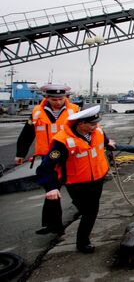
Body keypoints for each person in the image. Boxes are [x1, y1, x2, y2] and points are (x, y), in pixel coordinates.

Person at [36, 105, 116, 253]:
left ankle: (82, 238)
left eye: (96, 123)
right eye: (92, 124)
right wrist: (51, 187)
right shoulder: (62, 142)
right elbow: (45, 167)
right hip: (77, 183)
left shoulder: (96, 130)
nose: (95, 126)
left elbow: (103, 139)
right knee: (89, 211)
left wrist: (108, 142)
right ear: (80, 124)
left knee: (91, 209)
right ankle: (82, 242)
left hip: (97, 177)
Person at [16, 84, 80, 235]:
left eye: (60, 98)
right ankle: (53, 225)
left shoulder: (75, 111)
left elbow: (89, 128)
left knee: (76, 188)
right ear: (46, 98)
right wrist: (20, 153)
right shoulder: (37, 113)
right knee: (52, 190)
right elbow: (27, 134)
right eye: (54, 99)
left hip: (70, 155)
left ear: (66, 97)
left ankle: (84, 211)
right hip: (49, 157)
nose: (57, 102)